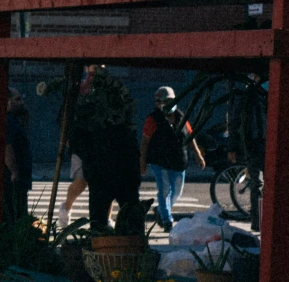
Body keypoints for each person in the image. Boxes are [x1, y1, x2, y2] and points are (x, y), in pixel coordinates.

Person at [71, 64, 142, 235]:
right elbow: (75, 138)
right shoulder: (88, 102)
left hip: (111, 169)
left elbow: (76, 138)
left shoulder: (102, 101)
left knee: (115, 218)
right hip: (107, 169)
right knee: (111, 218)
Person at [139, 85, 204, 231]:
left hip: (179, 161)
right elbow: (145, 142)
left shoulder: (182, 116)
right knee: (164, 190)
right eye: (159, 101)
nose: (163, 104)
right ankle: (167, 220)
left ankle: (161, 210)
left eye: (167, 100)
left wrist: (198, 155)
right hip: (159, 161)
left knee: (176, 192)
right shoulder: (153, 119)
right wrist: (142, 162)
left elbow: (190, 136)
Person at [4, 89, 34, 224]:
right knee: (15, 214)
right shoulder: (8, 121)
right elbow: (8, 147)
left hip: (21, 177)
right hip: (14, 180)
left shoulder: (15, 121)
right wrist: (14, 172)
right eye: (17, 99)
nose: (21, 102)